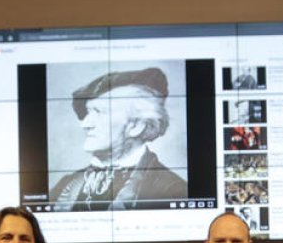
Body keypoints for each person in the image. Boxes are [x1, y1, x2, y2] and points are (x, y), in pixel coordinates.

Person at [50, 67, 188, 212]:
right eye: (88, 112)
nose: (85, 124)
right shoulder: (65, 184)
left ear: (136, 126)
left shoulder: (172, 190)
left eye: (99, 112)